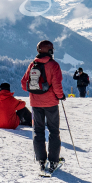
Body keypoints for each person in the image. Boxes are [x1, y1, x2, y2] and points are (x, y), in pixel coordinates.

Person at [22, 40, 65, 175]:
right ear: (50, 51)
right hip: (51, 103)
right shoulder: (54, 65)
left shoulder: (32, 64)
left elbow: (24, 85)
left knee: (38, 131)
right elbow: (57, 85)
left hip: (35, 103)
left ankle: (41, 160)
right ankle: (53, 161)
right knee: (53, 131)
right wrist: (61, 96)